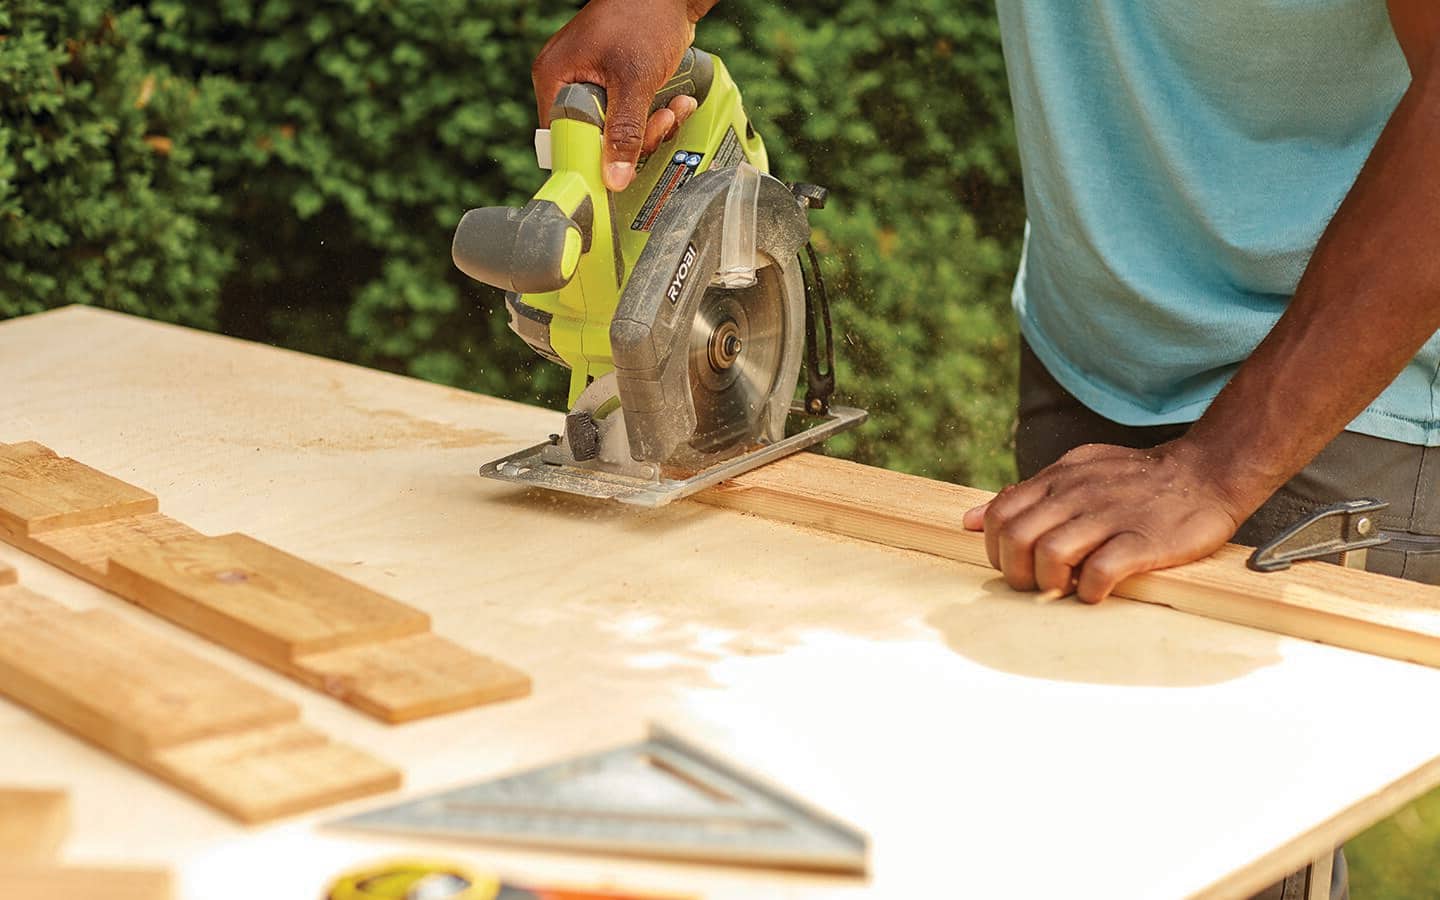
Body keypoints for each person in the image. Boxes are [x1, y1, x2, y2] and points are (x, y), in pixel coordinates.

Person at [534, 3, 1440, 897]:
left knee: (1198, 848)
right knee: (1057, 841)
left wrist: (1220, 464)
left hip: (1338, 382)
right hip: (1091, 347)